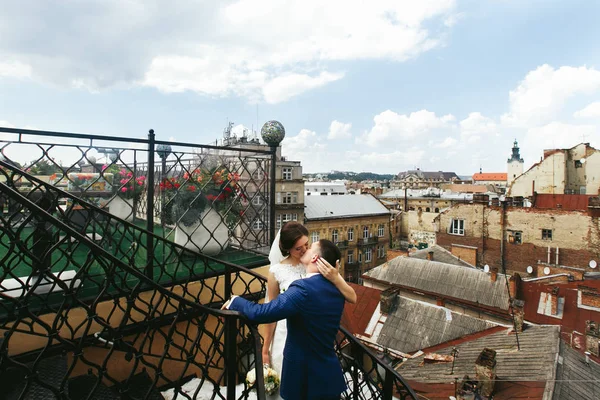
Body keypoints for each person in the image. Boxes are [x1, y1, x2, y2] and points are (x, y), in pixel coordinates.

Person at [224, 239, 347, 400]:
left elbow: (262, 313)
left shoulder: (303, 289)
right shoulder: (337, 289)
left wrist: (236, 301)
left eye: (310, 248)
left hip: (303, 379)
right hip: (329, 376)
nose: (305, 250)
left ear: (315, 258)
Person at [263, 222, 356, 381]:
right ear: (287, 249)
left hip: (313, 335)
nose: (305, 250)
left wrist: (335, 277)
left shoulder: (319, 264)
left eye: (306, 245)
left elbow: (352, 297)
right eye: (298, 248)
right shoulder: (276, 272)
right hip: (285, 334)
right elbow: (271, 312)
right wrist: (265, 349)